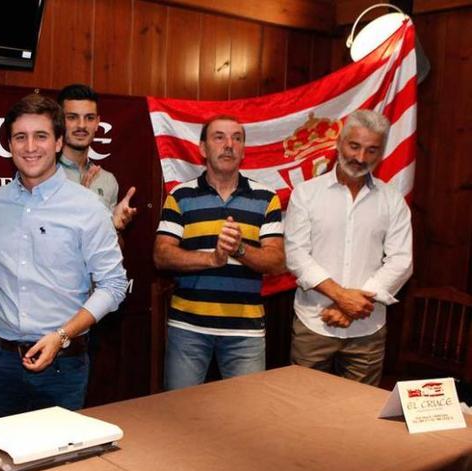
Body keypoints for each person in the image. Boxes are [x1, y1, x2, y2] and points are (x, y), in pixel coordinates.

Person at [0, 94, 128, 419]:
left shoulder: (87, 206)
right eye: (20, 137)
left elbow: (113, 286)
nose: (30, 147)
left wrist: (61, 336)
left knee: (56, 464)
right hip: (0, 361)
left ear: (58, 142)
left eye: (41, 136)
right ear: (9, 144)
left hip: (63, 362)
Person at [153, 115, 285, 390]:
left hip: (245, 332)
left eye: (237, 138)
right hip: (188, 328)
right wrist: (212, 258)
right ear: (202, 148)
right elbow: (162, 255)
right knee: (181, 413)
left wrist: (239, 248)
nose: (229, 145)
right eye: (219, 137)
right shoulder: (180, 196)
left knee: (247, 418)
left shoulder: (266, 198)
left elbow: (276, 262)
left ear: (244, 149)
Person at [284, 109, 412, 385]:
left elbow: (401, 261)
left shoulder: (392, 200)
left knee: (360, 416)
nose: (360, 157)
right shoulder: (306, 194)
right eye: (354, 146)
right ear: (340, 142)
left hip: (368, 328)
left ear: (381, 153)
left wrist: (349, 307)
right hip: (314, 322)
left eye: (371, 150)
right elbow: (296, 256)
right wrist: (342, 297)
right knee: (300, 409)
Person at [56, 84, 137, 232]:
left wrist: (114, 228)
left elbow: (114, 248)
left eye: (89, 118)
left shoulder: (107, 180)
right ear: (59, 121)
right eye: (72, 117)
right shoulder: (45, 175)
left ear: (97, 122)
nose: (82, 125)